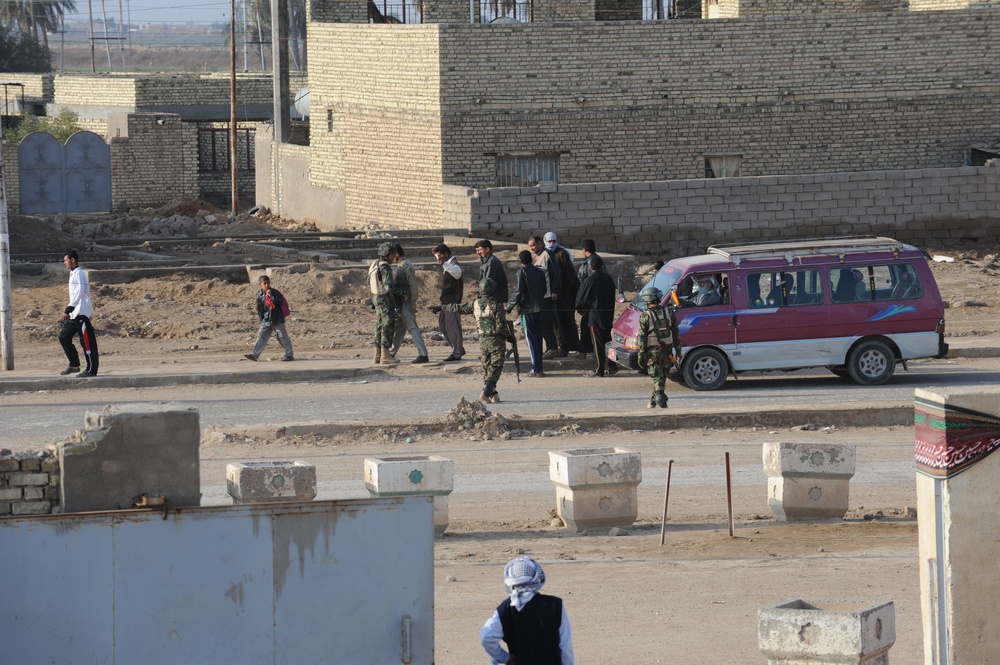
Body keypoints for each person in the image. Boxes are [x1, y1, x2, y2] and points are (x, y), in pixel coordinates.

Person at [480, 556, 574, 665]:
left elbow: (487, 637)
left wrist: (504, 657)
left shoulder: (506, 608)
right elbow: (565, 646)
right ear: (536, 577)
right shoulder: (555, 605)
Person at [433, 277, 511, 404]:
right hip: (496, 339)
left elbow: (458, 307)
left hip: (483, 340)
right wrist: (509, 336)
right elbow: (501, 325)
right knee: (496, 367)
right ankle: (485, 393)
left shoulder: (475, 304)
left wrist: (441, 308)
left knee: (487, 367)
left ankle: (493, 394)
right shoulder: (497, 305)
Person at [637, 286, 680, 409]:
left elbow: (641, 338)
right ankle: (653, 402)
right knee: (661, 379)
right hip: (668, 352)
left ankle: (660, 399)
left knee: (657, 379)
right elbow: (676, 334)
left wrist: (641, 355)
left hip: (653, 353)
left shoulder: (645, 316)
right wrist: (678, 351)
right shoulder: (669, 312)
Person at [507, 250, 548, 378]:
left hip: (528, 310)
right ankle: (539, 368)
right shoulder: (540, 271)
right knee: (538, 340)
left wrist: (509, 307)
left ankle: (536, 369)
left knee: (531, 341)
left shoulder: (522, 272)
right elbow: (544, 289)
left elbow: (519, 292)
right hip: (541, 309)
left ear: (521, 261)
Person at [59, 249, 100, 377]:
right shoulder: (73, 274)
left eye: (66, 260)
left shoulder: (79, 274)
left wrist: (69, 308)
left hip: (81, 313)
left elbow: (79, 293)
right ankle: (74, 365)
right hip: (74, 314)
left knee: (87, 342)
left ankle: (91, 370)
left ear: (73, 260)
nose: (64, 263)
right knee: (64, 337)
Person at [576, 255, 618, 377]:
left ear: (590, 267)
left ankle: (599, 369)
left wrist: (581, 309)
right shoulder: (608, 279)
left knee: (598, 344)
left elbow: (580, 299)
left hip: (595, 316)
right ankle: (612, 365)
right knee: (608, 342)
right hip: (608, 314)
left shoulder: (590, 280)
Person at [389, 244, 429, 364]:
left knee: (412, 327)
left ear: (396, 254)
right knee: (399, 330)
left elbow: (413, 286)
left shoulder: (406, 266)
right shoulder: (402, 265)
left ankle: (423, 354)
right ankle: (391, 353)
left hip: (406, 302)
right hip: (402, 303)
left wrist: (413, 302)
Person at [544, 232, 580, 356]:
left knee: (564, 321)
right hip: (551, 296)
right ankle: (557, 347)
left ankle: (566, 347)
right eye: (549, 241)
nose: (552, 244)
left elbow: (570, 276)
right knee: (555, 322)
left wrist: (561, 290)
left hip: (563, 296)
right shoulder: (545, 254)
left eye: (553, 241)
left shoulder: (561, 254)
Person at [244, 274, 294, 362]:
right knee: (261, 336)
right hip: (266, 320)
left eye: (268, 283)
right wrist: (262, 319)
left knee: (282, 337)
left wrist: (271, 296)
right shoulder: (259, 296)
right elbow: (260, 309)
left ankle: (289, 355)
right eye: (265, 283)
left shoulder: (275, 292)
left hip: (277, 319)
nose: (267, 285)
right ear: (260, 284)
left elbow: (280, 301)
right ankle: (255, 355)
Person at [527, 235, 561, 358]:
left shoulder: (547, 254)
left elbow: (556, 273)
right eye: (530, 246)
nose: (532, 248)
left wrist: (555, 291)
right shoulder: (536, 257)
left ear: (540, 243)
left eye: (534, 245)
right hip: (539, 296)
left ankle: (553, 348)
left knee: (547, 323)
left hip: (548, 296)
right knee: (542, 324)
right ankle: (549, 347)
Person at [432, 243, 466, 362]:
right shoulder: (447, 265)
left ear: (446, 254)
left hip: (453, 302)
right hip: (446, 302)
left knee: (452, 327)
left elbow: (457, 274)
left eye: (440, 256)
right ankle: (458, 348)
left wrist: (444, 263)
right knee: (443, 325)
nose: (438, 259)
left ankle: (457, 353)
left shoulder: (453, 263)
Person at [368, 242, 400, 365]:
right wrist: (401, 292)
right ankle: (385, 356)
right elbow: (389, 286)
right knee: (387, 326)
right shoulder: (385, 268)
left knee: (379, 326)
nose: (394, 257)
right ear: (387, 255)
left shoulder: (374, 264)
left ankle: (377, 355)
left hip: (376, 298)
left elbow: (368, 281)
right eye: (392, 254)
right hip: (385, 299)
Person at [575, 239, 606, 359]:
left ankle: (584, 350)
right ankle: (587, 348)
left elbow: (589, 283)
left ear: (584, 249)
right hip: (594, 300)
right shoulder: (596, 259)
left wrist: (582, 302)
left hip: (591, 301)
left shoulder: (591, 262)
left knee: (587, 324)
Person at [475, 239, 509, 305]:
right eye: (477, 250)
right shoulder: (484, 260)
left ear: (487, 249)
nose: (478, 252)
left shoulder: (492, 262)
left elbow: (487, 283)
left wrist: (476, 289)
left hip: (494, 298)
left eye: (480, 250)